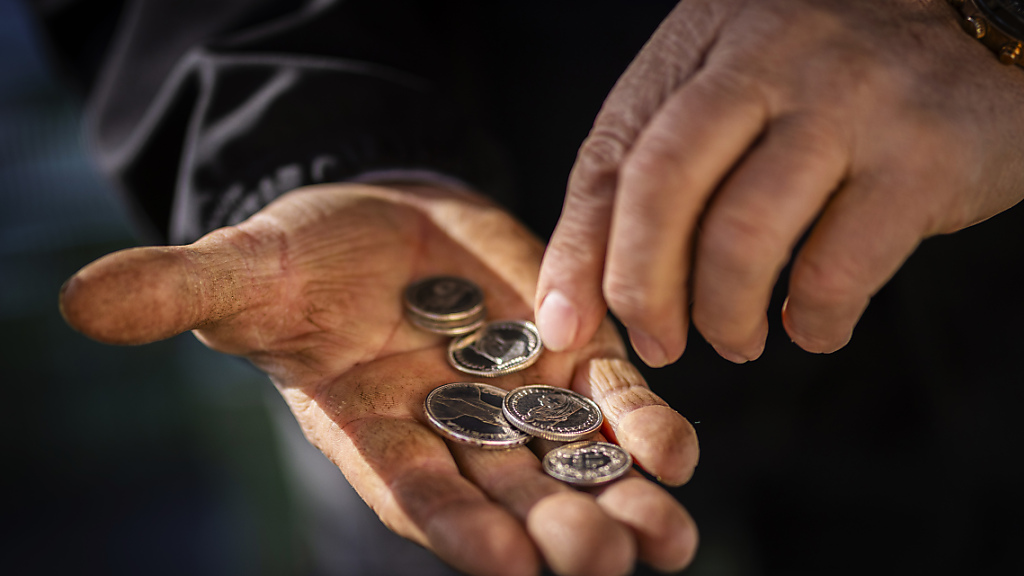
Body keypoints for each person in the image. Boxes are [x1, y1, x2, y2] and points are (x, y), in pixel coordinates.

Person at [41, 0, 1024, 574]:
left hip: (986, 351)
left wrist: (991, 23)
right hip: (416, 270)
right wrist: (315, 146)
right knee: (454, 533)